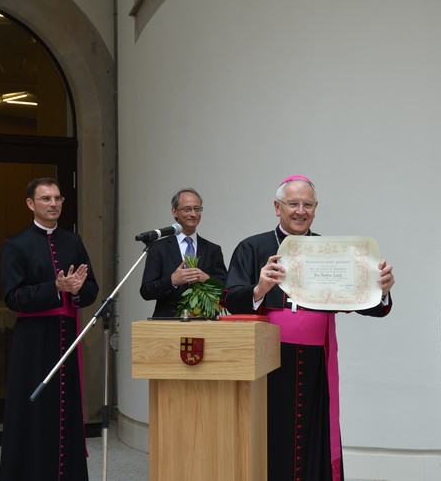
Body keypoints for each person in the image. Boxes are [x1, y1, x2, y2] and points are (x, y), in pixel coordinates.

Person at [224, 175, 395, 481]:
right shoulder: (251, 247)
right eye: (293, 203)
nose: (300, 210)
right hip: (267, 361)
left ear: (316, 209)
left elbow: (366, 303)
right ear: (277, 207)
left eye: (308, 204)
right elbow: (230, 300)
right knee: (269, 432)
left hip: (316, 361)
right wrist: (259, 288)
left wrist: (380, 290)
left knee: (314, 433)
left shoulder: (331, 251)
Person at [0, 177, 99, 481]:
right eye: (46, 199)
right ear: (31, 203)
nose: (53, 204)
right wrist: (54, 288)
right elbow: (13, 297)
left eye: (57, 198)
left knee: (65, 411)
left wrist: (79, 290)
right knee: (33, 412)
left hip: (68, 336)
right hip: (33, 341)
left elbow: (91, 287)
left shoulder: (73, 241)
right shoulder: (16, 244)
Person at [139, 188, 227, 317]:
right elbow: (146, 291)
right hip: (168, 322)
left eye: (197, 209)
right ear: (174, 212)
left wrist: (207, 280)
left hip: (204, 321)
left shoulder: (213, 249)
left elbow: (227, 290)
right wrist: (172, 281)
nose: (193, 214)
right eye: (187, 209)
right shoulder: (159, 247)